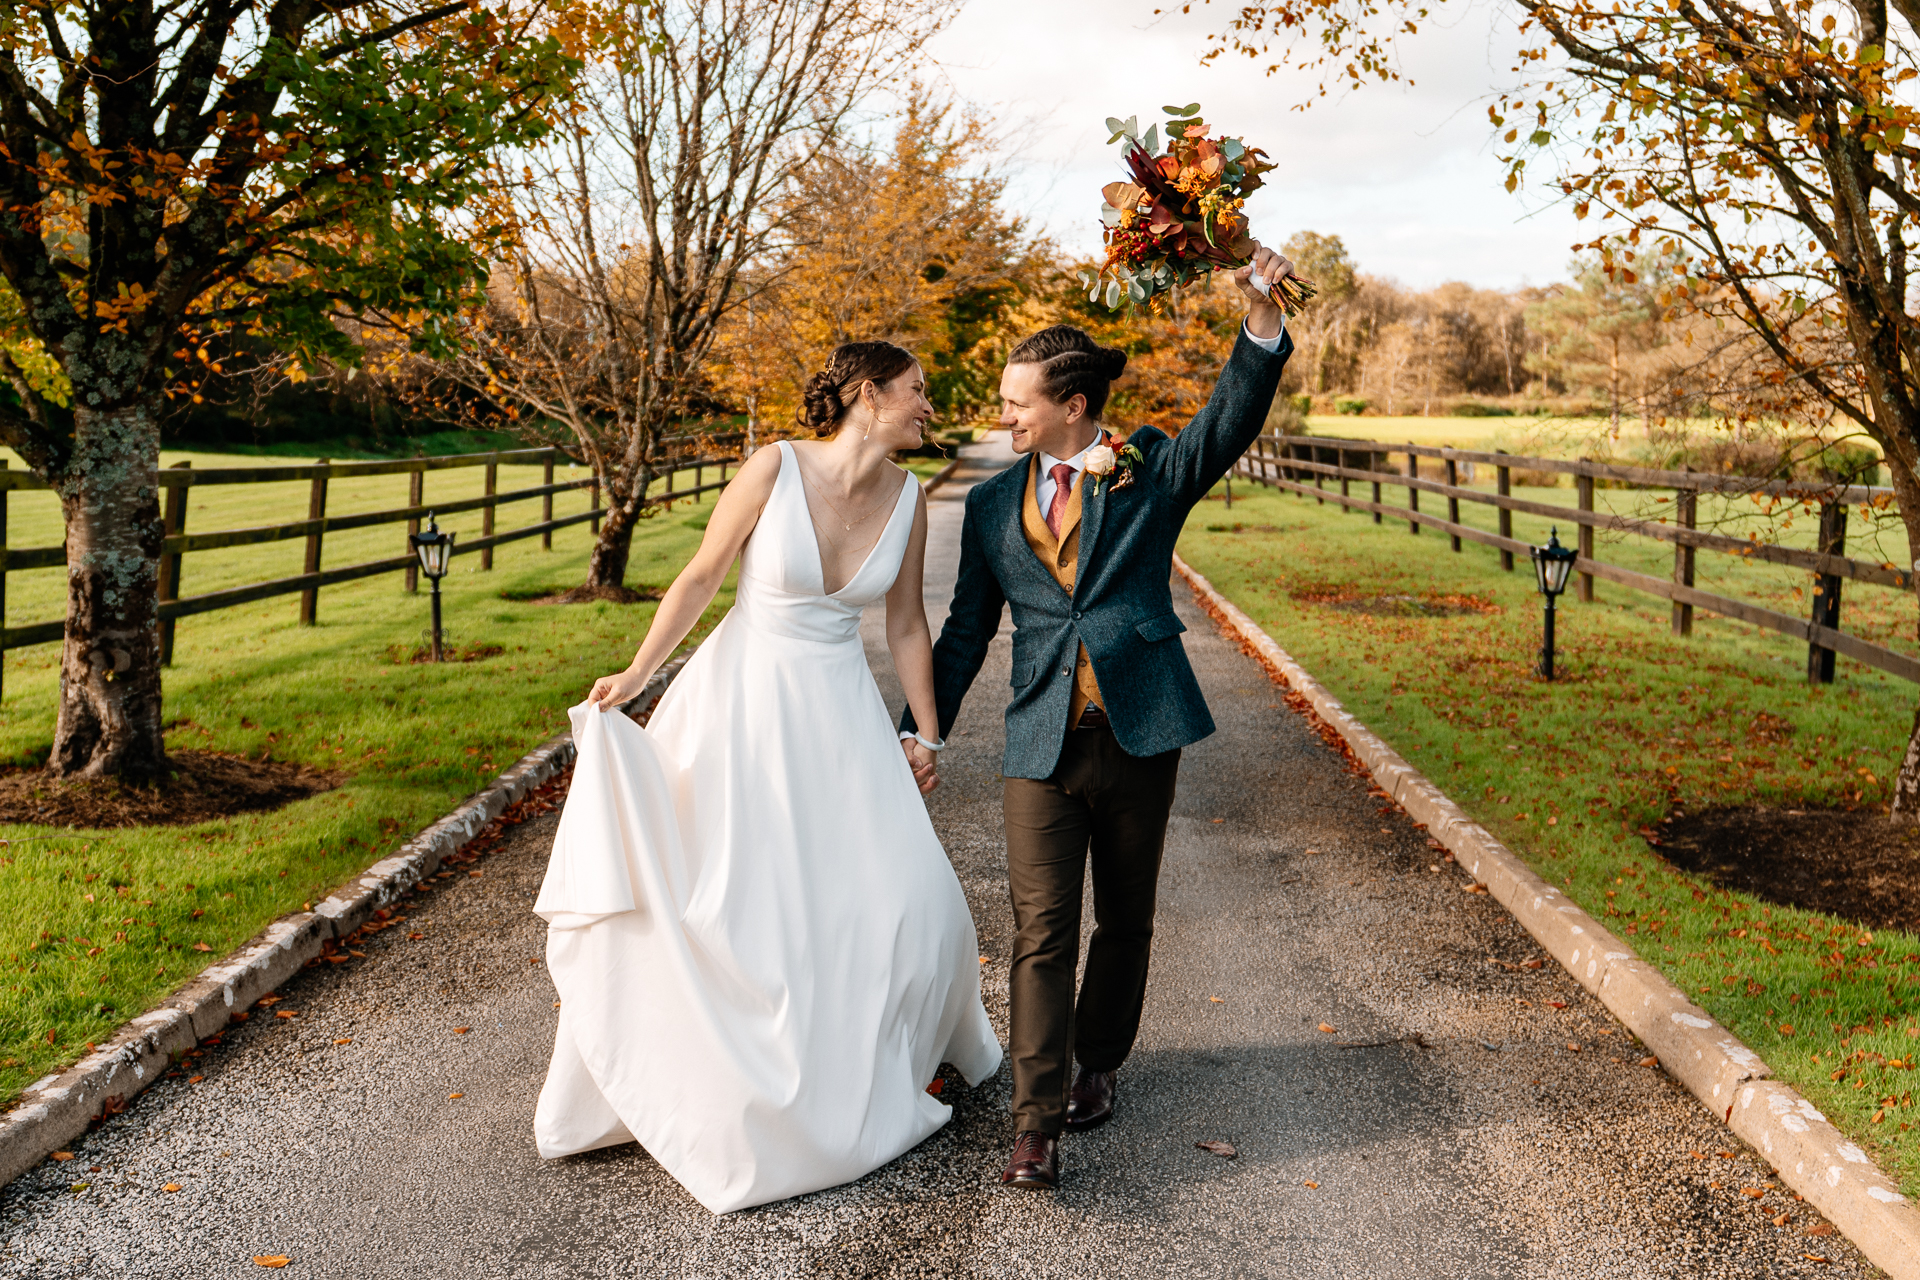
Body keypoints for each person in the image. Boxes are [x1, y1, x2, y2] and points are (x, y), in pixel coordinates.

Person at [532, 342, 1002, 1214]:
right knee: (730, 896)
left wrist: (927, 735)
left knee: (907, 898)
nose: (927, 406)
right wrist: (637, 677)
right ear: (869, 394)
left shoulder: (911, 501)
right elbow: (703, 574)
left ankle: (858, 1063)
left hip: (839, 716)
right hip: (739, 705)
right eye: (916, 391)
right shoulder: (773, 466)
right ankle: (713, 1083)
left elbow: (905, 626)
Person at [900, 245, 1295, 1191]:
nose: (1003, 415)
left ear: (1070, 406)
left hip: (1141, 731)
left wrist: (1263, 320)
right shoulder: (995, 503)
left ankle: (1099, 1062)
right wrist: (919, 729)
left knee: (1125, 919)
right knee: (1041, 931)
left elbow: (1227, 421)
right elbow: (962, 636)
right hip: (1037, 741)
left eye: (1017, 402)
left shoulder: (1147, 469)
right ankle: (1033, 1129)